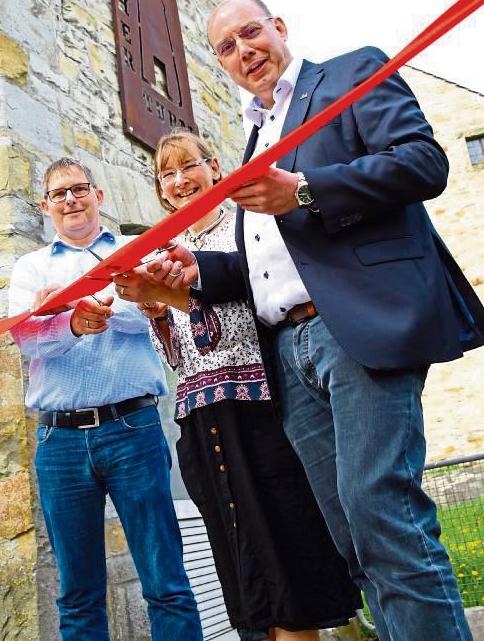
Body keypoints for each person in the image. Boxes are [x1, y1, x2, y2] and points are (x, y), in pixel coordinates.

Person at [143, 0, 484, 641]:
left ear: (279, 28)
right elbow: (264, 265)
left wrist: (303, 190)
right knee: (348, 535)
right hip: (286, 351)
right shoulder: (254, 139)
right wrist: (192, 274)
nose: (243, 50)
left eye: (249, 32)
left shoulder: (348, 75)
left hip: (353, 331)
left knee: (380, 512)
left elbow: (424, 162)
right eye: (225, 47)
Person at [115, 130, 361, 641]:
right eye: (168, 174)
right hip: (201, 416)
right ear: (161, 189)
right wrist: (159, 313)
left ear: (215, 168)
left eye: (189, 167)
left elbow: (259, 310)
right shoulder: (161, 249)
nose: (180, 181)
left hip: (261, 405)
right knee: (238, 555)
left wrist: (180, 297)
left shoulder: (246, 229)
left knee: (287, 545)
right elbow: (180, 356)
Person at [8, 157, 203, 641]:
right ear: (45, 206)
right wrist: (71, 323)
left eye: (79, 189)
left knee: (166, 581)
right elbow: (26, 339)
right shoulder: (29, 268)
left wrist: (101, 309)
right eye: (59, 193)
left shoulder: (138, 251)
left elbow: (162, 316)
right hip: (60, 441)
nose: (70, 199)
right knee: (77, 592)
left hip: (132, 429)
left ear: (99, 196)